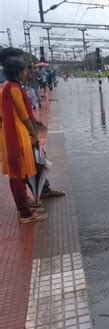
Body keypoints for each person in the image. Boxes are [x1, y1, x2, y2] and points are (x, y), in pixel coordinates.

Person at [0, 57, 47, 223]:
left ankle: (24, 205)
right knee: (18, 174)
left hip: (8, 133)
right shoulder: (14, 89)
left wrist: (35, 121)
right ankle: (25, 213)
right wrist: (34, 134)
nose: (26, 73)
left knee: (16, 174)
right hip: (17, 134)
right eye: (24, 71)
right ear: (17, 73)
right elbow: (24, 115)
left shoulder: (4, 88)